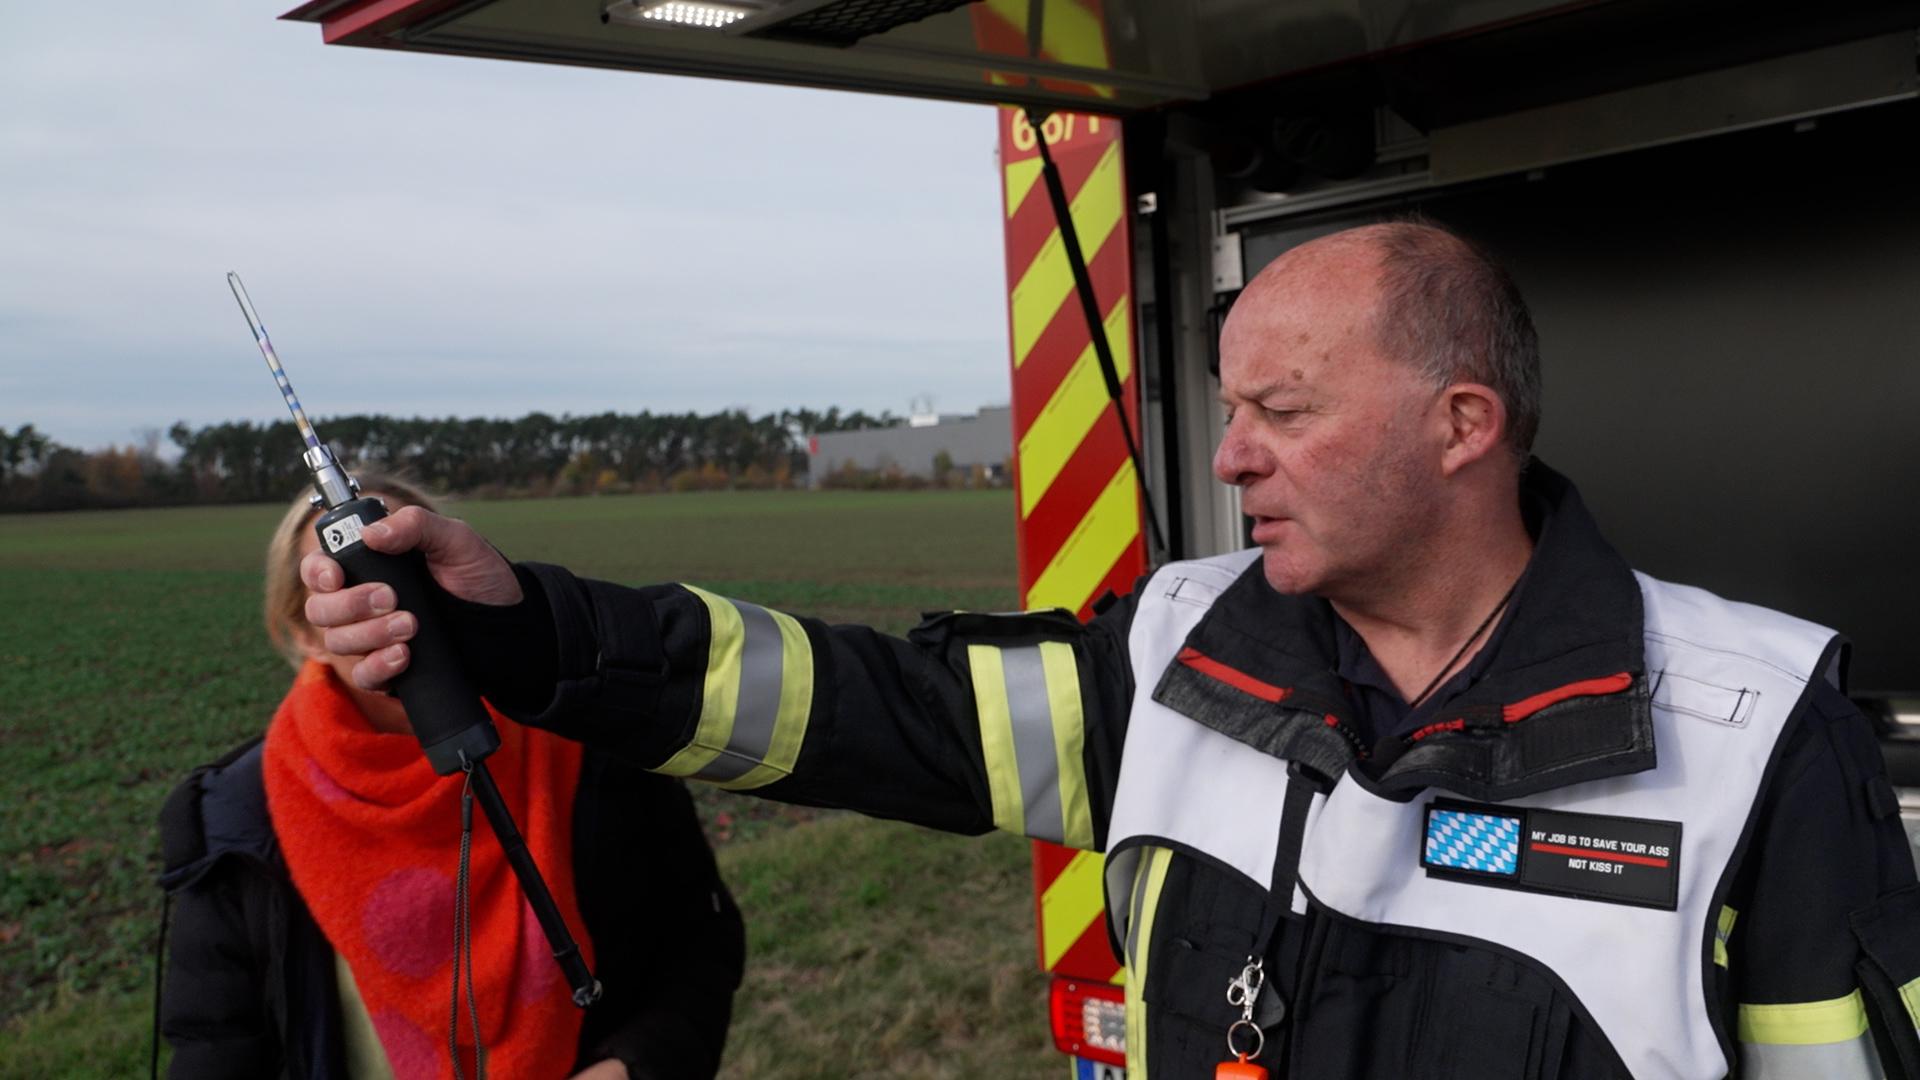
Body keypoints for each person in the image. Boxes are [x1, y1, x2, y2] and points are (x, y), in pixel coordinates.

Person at [301, 224, 1920, 1079]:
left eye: (1284, 413)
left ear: (1462, 428)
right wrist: (528, 631)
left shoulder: (1755, 732)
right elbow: (855, 710)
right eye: (1232, 410)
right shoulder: (1177, 658)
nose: (1232, 458)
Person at [156, 473, 744, 1080]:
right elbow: (214, 1046)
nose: (394, 610)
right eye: (352, 584)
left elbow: (700, 945)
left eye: (414, 571)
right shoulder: (237, 815)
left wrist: (632, 1068)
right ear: (302, 630)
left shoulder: (591, 746)